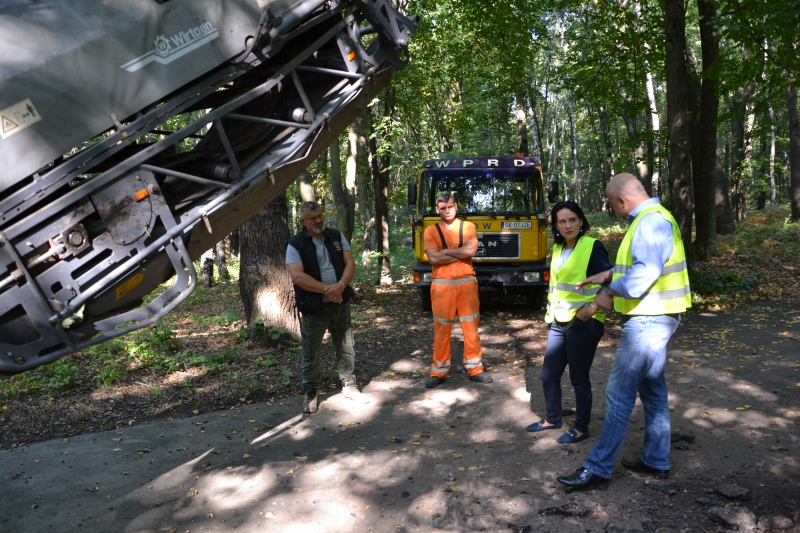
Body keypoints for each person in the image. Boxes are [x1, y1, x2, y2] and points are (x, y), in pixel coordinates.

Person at [557, 173, 691, 489]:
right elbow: (634, 266)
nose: (614, 210)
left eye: (611, 204)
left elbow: (644, 273)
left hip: (649, 320)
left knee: (619, 392)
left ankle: (598, 468)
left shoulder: (649, 221)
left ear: (621, 200)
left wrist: (603, 298)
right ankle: (656, 460)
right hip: (655, 317)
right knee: (653, 389)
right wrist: (601, 278)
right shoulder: (654, 218)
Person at [526, 200, 611, 444]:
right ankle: (553, 418)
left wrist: (593, 307)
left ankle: (581, 427)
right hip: (558, 321)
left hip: (584, 322)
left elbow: (609, 280)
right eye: (562, 221)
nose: (568, 225)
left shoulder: (592, 246)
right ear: (556, 225)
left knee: (578, 377)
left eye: (572, 219)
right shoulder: (558, 248)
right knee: (548, 375)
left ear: (581, 221)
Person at [286, 201, 369, 414]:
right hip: (314, 307)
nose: (318, 221)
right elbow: (297, 276)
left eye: (320, 216)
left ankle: (349, 385)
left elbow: (350, 264)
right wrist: (328, 290)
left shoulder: (336, 236)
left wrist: (340, 287)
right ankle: (310, 392)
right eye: (313, 218)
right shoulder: (295, 244)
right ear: (303, 221)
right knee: (311, 350)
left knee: (345, 344)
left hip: (341, 302)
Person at [423, 193, 493, 388]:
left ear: (456, 206)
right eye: (443, 208)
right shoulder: (430, 231)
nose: (447, 211)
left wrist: (444, 252)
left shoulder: (468, 227)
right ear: (438, 210)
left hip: (467, 284)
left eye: (450, 207)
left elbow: (470, 252)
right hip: (442, 286)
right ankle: (438, 372)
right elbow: (433, 259)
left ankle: (475, 369)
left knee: (470, 327)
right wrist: (459, 253)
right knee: (442, 329)